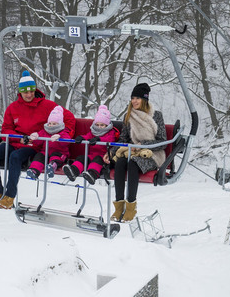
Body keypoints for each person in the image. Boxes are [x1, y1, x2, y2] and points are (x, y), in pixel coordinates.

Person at [0, 71, 75, 209]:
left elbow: (69, 118)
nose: (29, 95)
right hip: (16, 142)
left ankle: (10, 196)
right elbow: (6, 129)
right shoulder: (13, 108)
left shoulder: (48, 106)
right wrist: (19, 140)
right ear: (20, 92)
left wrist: (63, 134)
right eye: (25, 92)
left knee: (15, 157)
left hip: (35, 145)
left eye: (32, 91)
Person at [109, 83, 166, 222]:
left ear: (144, 99)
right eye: (133, 98)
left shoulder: (156, 115)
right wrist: (112, 152)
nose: (134, 101)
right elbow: (123, 138)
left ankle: (131, 207)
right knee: (121, 162)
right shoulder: (129, 116)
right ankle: (118, 206)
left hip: (152, 153)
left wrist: (142, 145)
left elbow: (162, 141)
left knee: (133, 164)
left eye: (138, 98)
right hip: (132, 151)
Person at [62, 104, 119, 184]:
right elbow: (87, 136)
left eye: (102, 125)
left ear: (106, 125)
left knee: (97, 160)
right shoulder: (93, 132)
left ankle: (92, 174)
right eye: (97, 125)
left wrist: (99, 139)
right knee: (82, 158)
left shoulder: (110, 132)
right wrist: (81, 137)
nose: (99, 127)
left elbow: (110, 139)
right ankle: (74, 171)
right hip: (91, 155)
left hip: (103, 157)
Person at [25, 105, 72, 179]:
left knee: (55, 156)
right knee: (39, 156)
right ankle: (34, 170)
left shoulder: (63, 132)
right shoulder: (44, 131)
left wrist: (60, 137)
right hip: (46, 152)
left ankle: (52, 167)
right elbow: (39, 142)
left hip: (60, 153)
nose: (51, 126)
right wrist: (36, 137)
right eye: (50, 123)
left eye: (54, 124)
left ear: (59, 124)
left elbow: (67, 141)